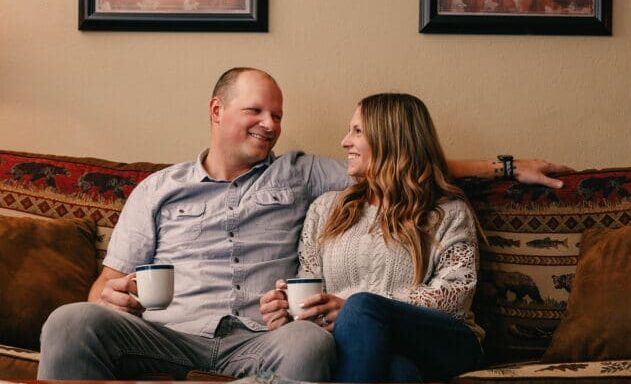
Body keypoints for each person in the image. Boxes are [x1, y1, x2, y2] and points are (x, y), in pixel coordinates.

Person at [38, 67, 570, 381]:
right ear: (217, 109)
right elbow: (104, 287)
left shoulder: (300, 174)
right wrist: (113, 298)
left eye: (278, 115)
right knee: (70, 320)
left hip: (261, 341)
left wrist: (504, 166)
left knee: (310, 345)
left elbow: (402, 160)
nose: (271, 126)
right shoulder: (156, 189)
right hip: (168, 333)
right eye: (256, 112)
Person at [259, 93, 487, 382]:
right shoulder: (326, 209)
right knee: (399, 373)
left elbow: (454, 295)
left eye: (357, 132)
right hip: (363, 347)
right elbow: (311, 283)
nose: (344, 142)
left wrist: (355, 308)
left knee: (362, 306)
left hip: (443, 342)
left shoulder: (448, 212)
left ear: (390, 139)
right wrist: (288, 311)